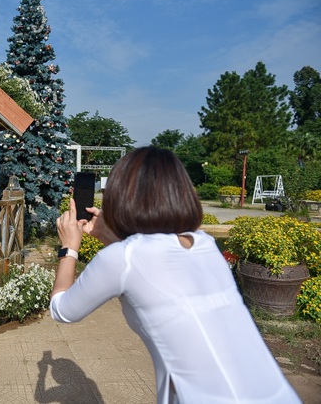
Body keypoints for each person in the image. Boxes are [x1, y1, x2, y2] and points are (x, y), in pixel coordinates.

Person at [51, 146, 301, 404]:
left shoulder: (123, 258)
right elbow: (144, 260)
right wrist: (108, 234)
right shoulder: (204, 244)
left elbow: (63, 310)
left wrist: (69, 248)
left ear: (119, 198)